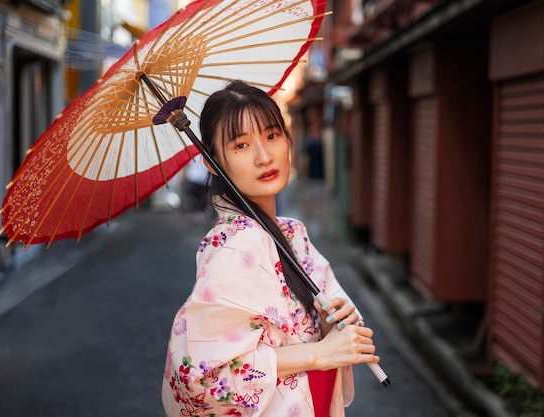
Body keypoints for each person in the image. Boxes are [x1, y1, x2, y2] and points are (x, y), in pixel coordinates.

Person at [161, 80, 380, 417]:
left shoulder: (291, 234)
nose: (264, 156)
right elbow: (200, 376)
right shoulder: (235, 247)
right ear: (211, 160)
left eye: (272, 135)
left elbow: (318, 334)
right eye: (241, 145)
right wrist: (320, 353)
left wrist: (326, 322)